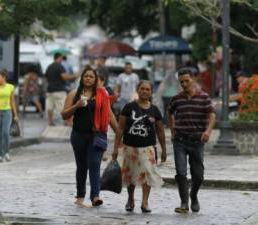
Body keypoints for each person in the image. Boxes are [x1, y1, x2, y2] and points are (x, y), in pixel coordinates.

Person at [61, 67, 119, 207]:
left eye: (91, 77)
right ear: (82, 78)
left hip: (97, 136)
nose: (88, 78)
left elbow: (110, 115)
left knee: (94, 165)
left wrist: (119, 134)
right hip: (78, 135)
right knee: (82, 167)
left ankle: (95, 196)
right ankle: (80, 195)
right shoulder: (74, 93)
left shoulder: (102, 94)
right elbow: (64, 115)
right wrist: (77, 105)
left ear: (95, 80)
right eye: (85, 76)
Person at [112, 80, 167, 213]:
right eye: (142, 89)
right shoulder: (128, 107)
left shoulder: (155, 110)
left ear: (151, 92)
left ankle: (145, 202)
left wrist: (164, 149)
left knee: (148, 174)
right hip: (130, 148)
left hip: (148, 148)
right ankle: (130, 199)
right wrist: (115, 148)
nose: (144, 91)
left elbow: (160, 130)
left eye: (147, 89)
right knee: (131, 175)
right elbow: (120, 128)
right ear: (137, 90)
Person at [168, 68, 216, 213]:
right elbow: (169, 112)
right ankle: (184, 203)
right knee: (181, 172)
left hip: (197, 141)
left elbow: (212, 115)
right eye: (181, 81)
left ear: (193, 80)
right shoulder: (176, 98)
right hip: (180, 140)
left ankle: (193, 195)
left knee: (198, 175)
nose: (184, 84)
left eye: (186, 81)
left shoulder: (204, 97)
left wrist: (207, 131)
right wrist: (172, 130)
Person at [45, 53, 76, 126]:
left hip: (50, 90)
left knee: (50, 106)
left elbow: (46, 77)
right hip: (59, 90)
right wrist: (74, 76)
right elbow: (65, 77)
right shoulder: (59, 66)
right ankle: (67, 122)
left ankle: (50, 121)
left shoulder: (49, 66)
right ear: (58, 58)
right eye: (61, 58)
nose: (62, 60)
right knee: (64, 106)